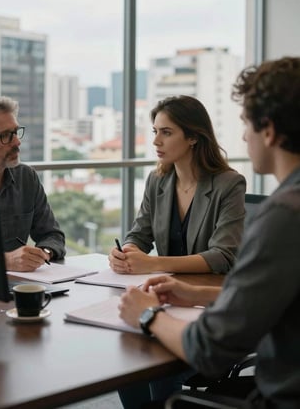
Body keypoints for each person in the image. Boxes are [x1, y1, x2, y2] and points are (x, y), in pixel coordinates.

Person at [119, 56, 300, 408]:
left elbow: (209, 348)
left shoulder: (284, 214)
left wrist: (147, 314)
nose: (244, 135)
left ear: (270, 130)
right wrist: (197, 294)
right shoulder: (160, 180)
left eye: (247, 123)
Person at [109, 95, 246, 275]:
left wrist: (153, 263)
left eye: (166, 132)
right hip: (167, 290)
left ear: (193, 137)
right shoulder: (156, 180)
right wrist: (126, 252)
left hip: (208, 292)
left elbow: (223, 256)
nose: (156, 141)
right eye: (155, 131)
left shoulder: (229, 184)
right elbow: (139, 234)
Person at [0, 95, 66, 272]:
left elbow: (52, 235)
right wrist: (5, 261)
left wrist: (43, 253)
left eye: (16, 132)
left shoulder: (26, 177)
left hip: (16, 285)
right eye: (5, 136)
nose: (17, 142)